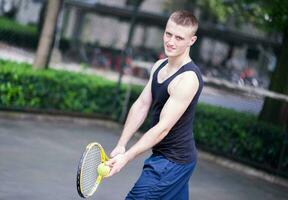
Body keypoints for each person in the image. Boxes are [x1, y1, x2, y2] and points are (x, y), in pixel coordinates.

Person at [106, 10, 204, 200]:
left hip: (173, 161)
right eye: (168, 34)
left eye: (179, 37)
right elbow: (141, 104)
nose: (171, 42)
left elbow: (163, 128)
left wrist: (126, 158)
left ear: (191, 41)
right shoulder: (159, 65)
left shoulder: (188, 79)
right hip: (169, 157)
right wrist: (121, 145)